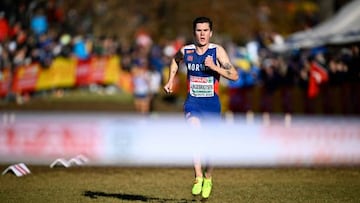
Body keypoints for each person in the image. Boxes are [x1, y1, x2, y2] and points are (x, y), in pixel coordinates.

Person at [163, 16, 239, 199]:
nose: (202, 34)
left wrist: (215, 67)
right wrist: (170, 80)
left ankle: (208, 177)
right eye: (199, 30)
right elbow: (175, 60)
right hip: (193, 102)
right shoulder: (187, 51)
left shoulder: (217, 51)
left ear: (211, 33)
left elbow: (234, 75)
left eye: (205, 30)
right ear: (194, 32)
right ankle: (198, 176)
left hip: (212, 104)